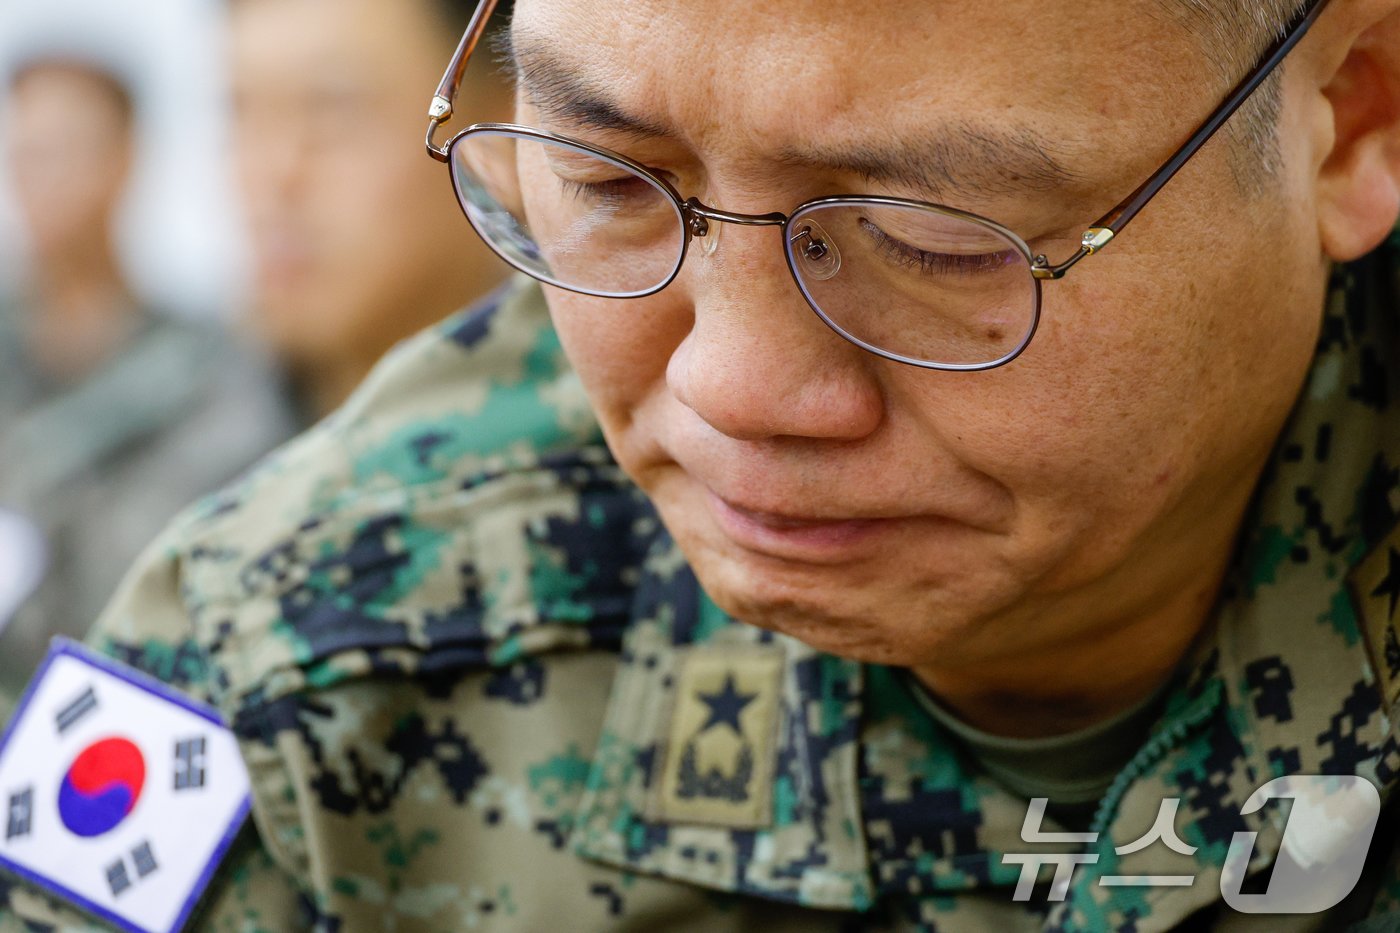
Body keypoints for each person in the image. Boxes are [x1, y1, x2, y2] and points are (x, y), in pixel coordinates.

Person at [2, 0, 1399, 929]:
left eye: (931, 235)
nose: (730, 389)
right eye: (608, 182)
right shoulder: (282, 653)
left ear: (1357, 111)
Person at [0, 57, 297, 715]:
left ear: (125, 158)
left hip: (139, 723)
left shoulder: (212, 370)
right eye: (26, 153)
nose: (41, 179)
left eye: (66, 150)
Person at [229, 0, 512, 420]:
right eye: (241, 112)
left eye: (333, 108)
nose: (273, 173)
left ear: (501, 125)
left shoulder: (612, 433)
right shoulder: (163, 439)